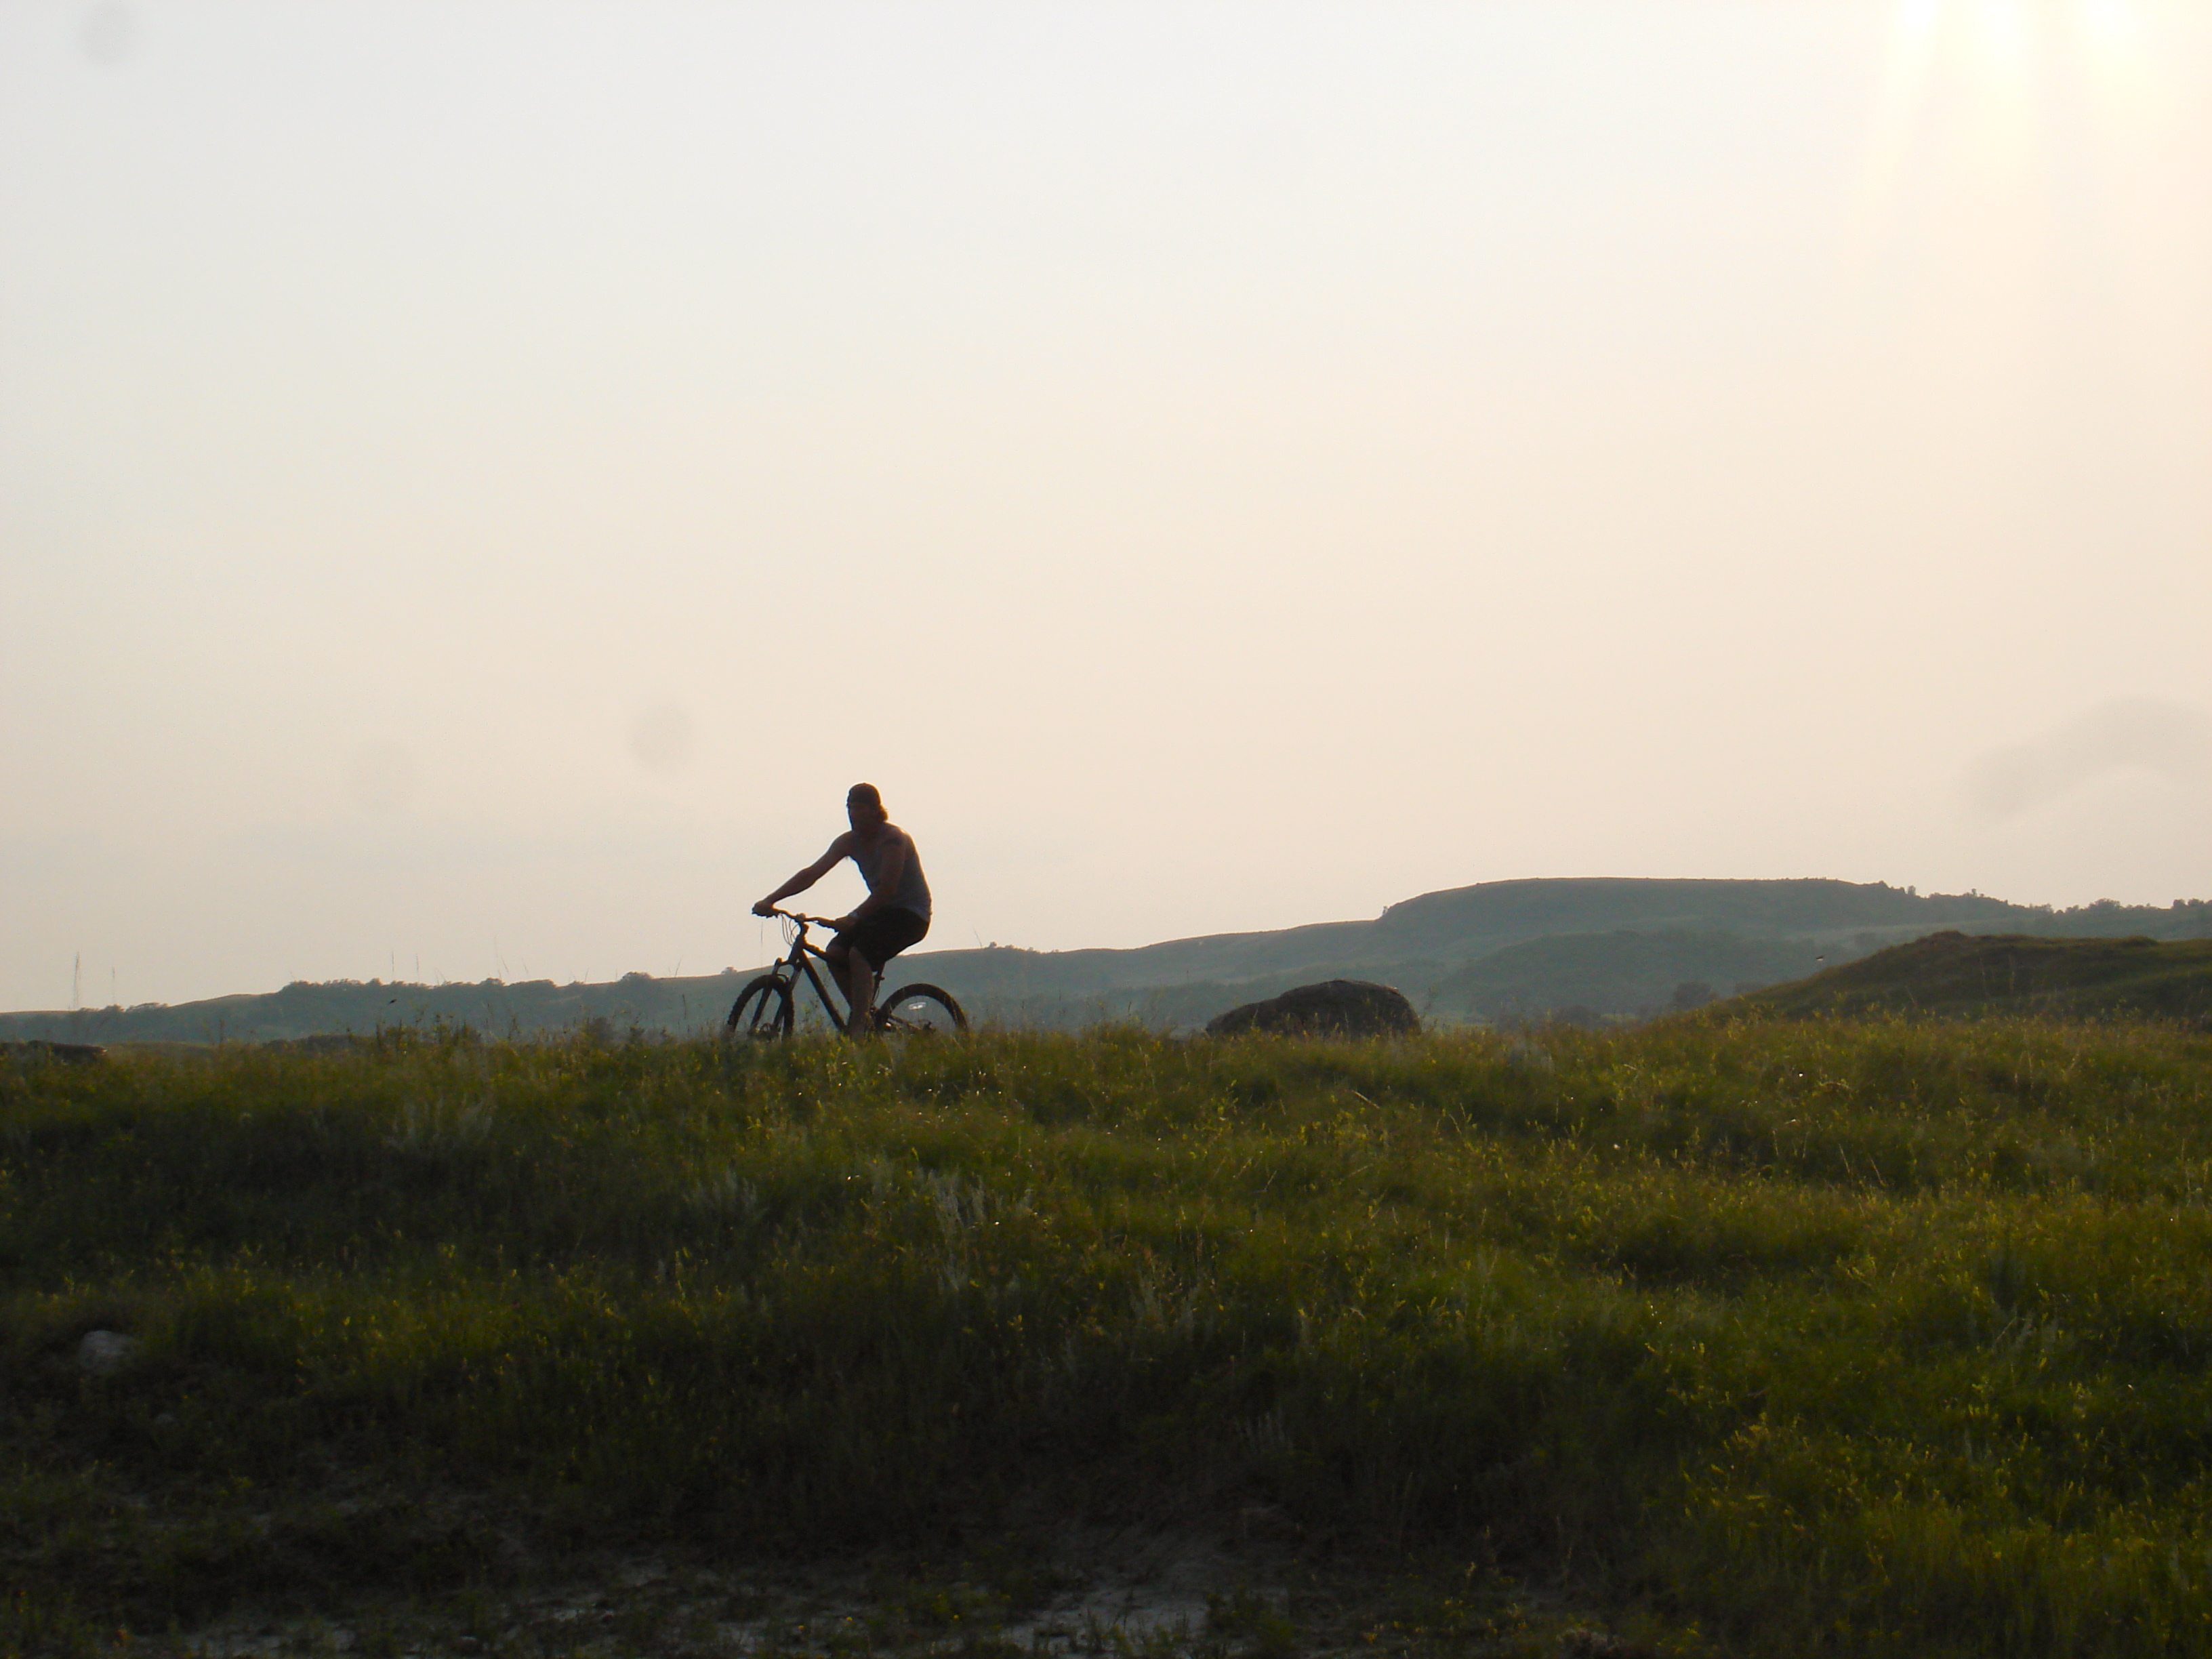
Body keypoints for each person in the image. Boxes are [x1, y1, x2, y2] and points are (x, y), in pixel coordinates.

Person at [754, 783, 932, 1035]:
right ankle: (866, 1017)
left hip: (911, 914)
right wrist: (771, 900)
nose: (852, 814)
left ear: (875, 811)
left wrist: (853, 917)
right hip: (880, 913)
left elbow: (887, 889)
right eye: (849, 808)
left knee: (859, 954)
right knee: (835, 953)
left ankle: (858, 1026)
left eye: (859, 808)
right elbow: (812, 873)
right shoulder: (849, 841)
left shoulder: (893, 839)